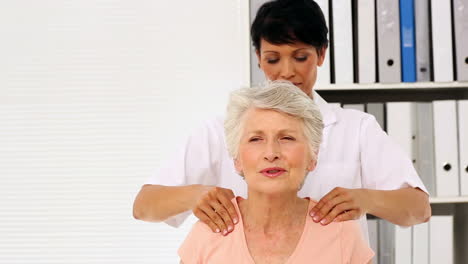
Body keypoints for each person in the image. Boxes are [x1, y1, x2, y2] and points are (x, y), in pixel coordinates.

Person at [133, 0, 430, 240]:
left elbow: (418, 208)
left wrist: (366, 199)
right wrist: (194, 195)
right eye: (273, 59)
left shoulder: (357, 129)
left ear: (321, 54)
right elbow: (144, 205)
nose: (286, 72)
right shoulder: (219, 131)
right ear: (258, 57)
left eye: (300, 57)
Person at [178, 81, 374, 263]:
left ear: (312, 157)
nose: (271, 153)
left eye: (287, 138)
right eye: (256, 139)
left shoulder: (343, 234)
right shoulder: (208, 232)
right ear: (237, 159)